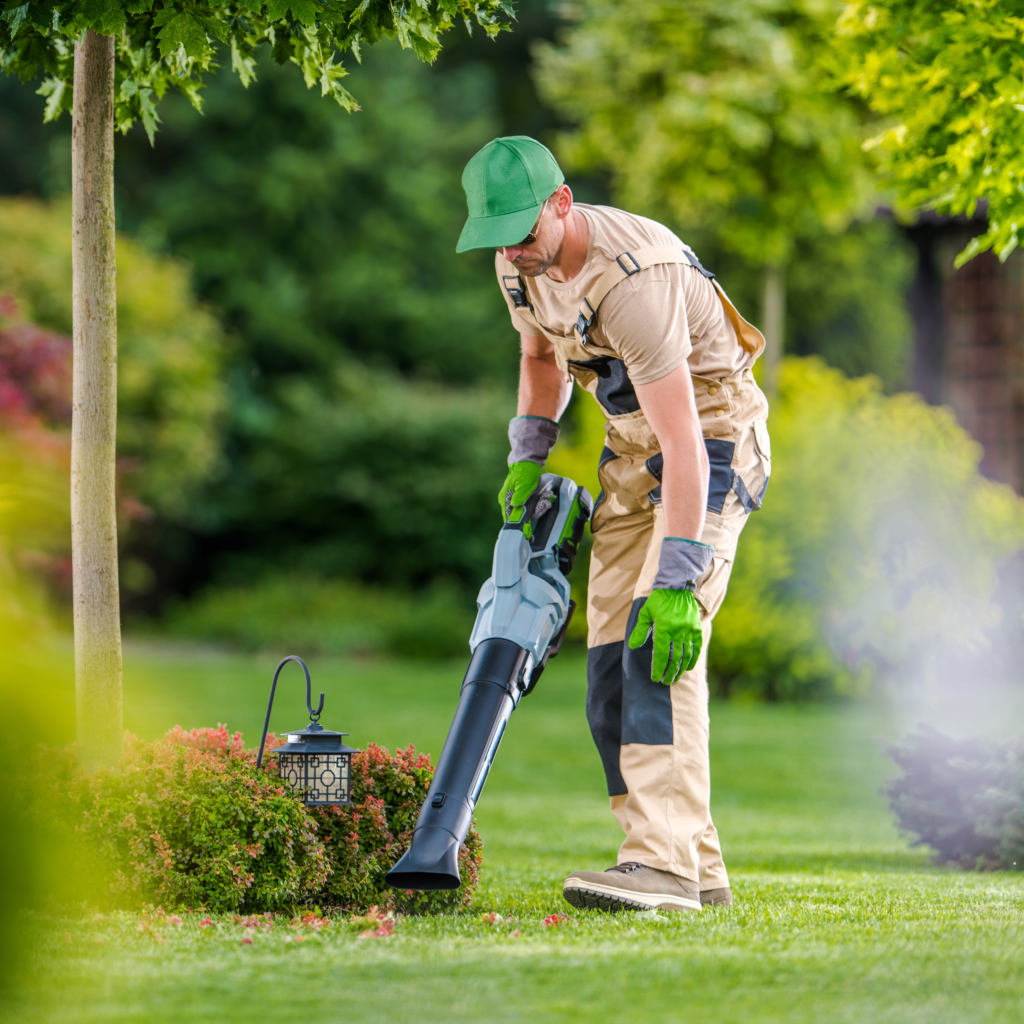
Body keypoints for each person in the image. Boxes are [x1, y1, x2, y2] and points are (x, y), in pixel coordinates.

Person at [456, 136, 771, 914]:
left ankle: (659, 865)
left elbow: (687, 443)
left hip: (709, 441)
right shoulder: (516, 260)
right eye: (499, 239)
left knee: (656, 645)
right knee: (606, 673)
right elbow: (539, 359)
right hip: (630, 450)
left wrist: (677, 579)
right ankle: (696, 867)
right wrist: (527, 455)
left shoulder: (636, 278)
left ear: (562, 202)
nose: (516, 253)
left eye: (526, 233)